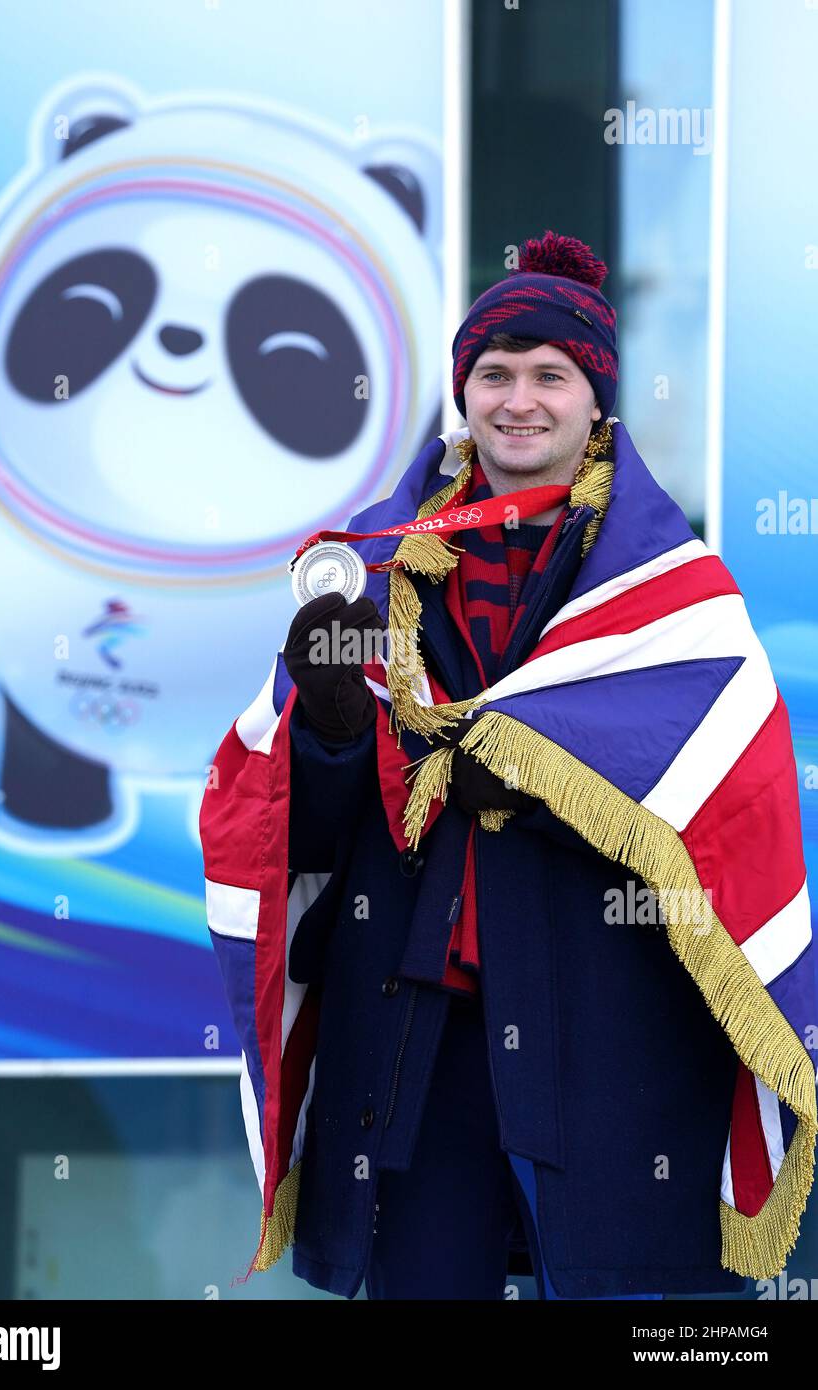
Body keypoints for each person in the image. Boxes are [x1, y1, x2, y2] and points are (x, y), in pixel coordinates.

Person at [200, 231, 816, 1301]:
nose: (519, 401)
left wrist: (535, 781)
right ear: (463, 393)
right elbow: (296, 835)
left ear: (596, 402)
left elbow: (731, 821)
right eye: (494, 374)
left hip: (619, 1046)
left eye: (550, 376)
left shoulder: (680, 598)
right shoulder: (374, 573)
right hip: (412, 1048)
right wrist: (334, 727)